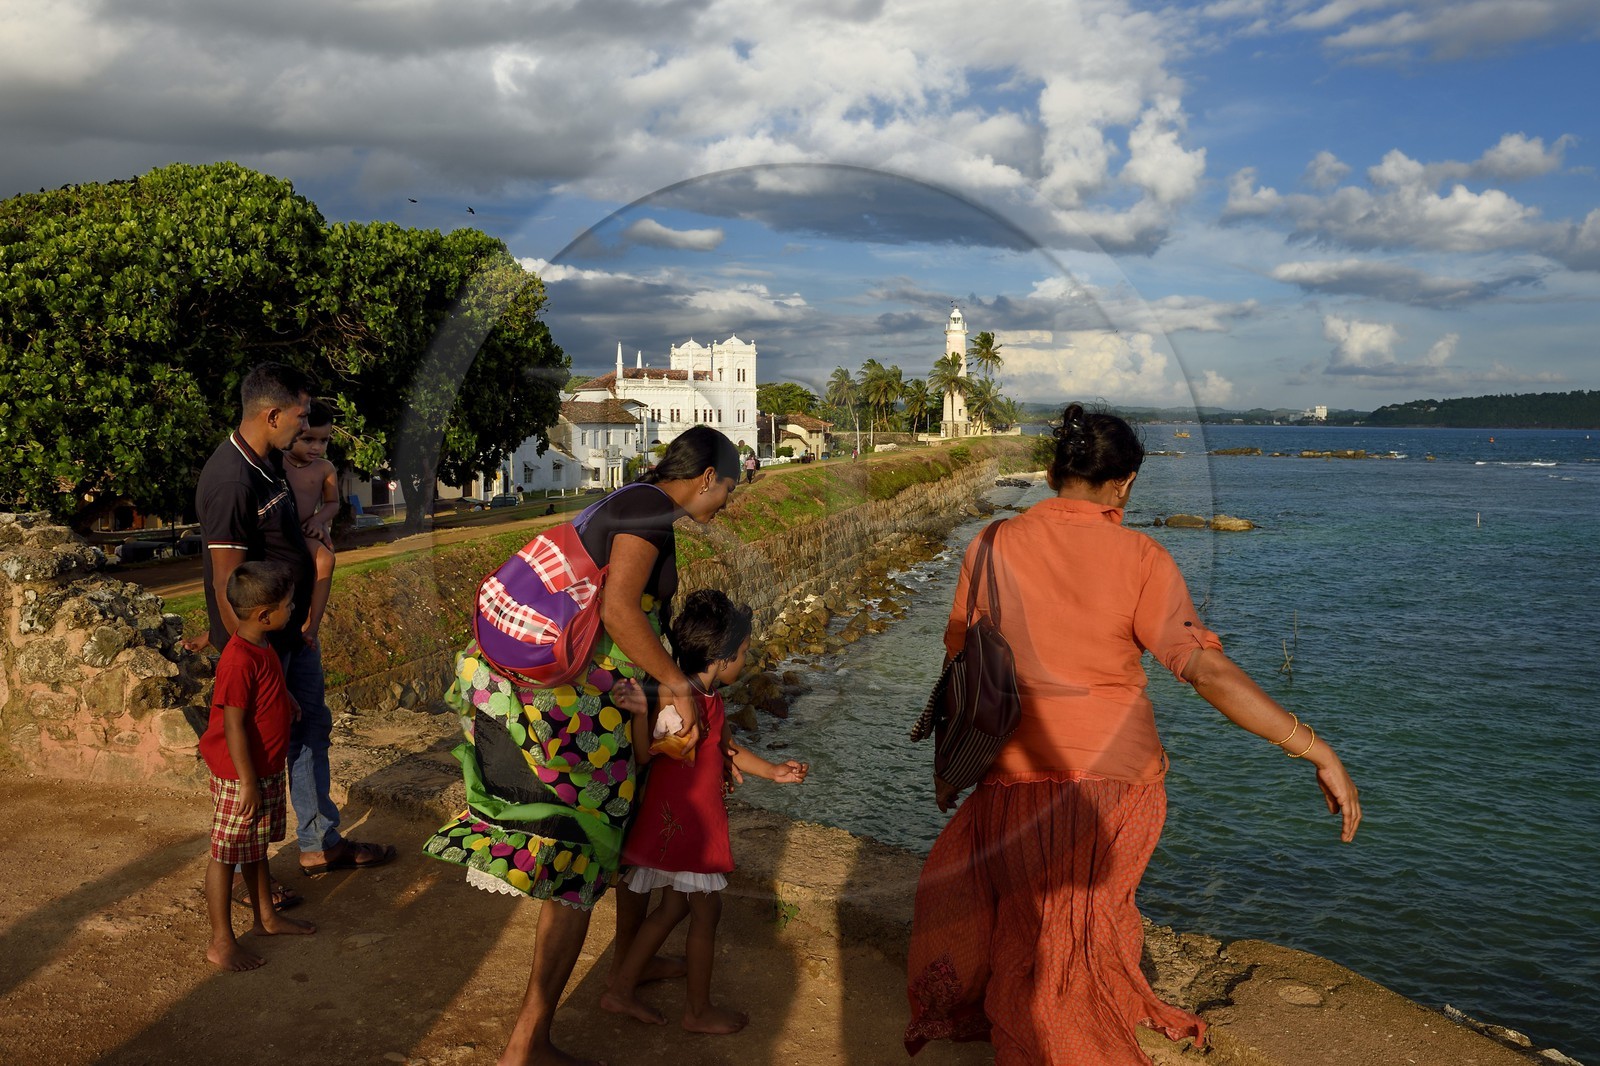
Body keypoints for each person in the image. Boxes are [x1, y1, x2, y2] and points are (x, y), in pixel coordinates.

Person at [905, 403, 1361, 1065]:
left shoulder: (992, 545)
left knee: (1034, 942)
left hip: (1016, 786)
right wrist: (1316, 748)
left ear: (1054, 471)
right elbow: (1204, 670)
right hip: (1117, 798)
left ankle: (1042, 1030)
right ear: (1123, 484)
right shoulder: (1141, 557)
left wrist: (950, 771)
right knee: (1081, 933)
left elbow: (963, 667)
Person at [423, 424, 743, 1066]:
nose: (727, 504)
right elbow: (622, 611)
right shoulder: (650, 515)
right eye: (728, 490)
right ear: (707, 477)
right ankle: (528, 1043)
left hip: (537, 698)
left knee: (586, 855)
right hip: (563, 718)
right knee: (572, 867)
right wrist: (676, 683)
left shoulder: (627, 500)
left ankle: (618, 975)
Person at [195, 362, 395, 891]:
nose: (304, 427)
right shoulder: (231, 480)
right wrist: (260, 665)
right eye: (300, 417)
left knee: (311, 732)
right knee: (258, 752)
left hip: (292, 631)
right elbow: (225, 583)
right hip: (261, 645)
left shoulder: (266, 462)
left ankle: (318, 843)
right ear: (273, 414)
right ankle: (242, 879)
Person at [600, 589, 808, 1034]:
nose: (746, 662)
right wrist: (639, 714)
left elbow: (726, 748)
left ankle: (620, 989)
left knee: (673, 909)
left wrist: (773, 771)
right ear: (721, 656)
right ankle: (696, 1010)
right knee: (705, 912)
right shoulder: (682, 705)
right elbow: (645, 753)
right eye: (744, 654)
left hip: (679, 820)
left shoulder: (702, 698)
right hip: (686, 823)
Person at [199, 560, 317, 970]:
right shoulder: (236, 660)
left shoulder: (261, 644)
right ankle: (221, 940)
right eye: (288, 604)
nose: (293, 608)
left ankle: (266, 917)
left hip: (262, 767)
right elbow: (232, 726)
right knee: (226, 852)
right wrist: (247, 782)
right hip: (240, 775)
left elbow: (268, 685)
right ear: (265, 615)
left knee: (256, 846)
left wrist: (286, 699)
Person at [282, 399, 340, 646]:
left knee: (326, 559)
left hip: (306, 530)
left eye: (323, 441)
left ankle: (312, 624)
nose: (316, 447)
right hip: (281, 531)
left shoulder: (325, 469)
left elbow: (333, 503)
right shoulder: (277, 461)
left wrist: (318, 521)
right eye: (308, 440)